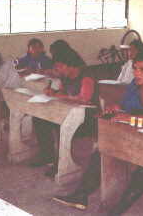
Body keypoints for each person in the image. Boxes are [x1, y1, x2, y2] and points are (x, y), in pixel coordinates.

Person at [53, 51, 143, 213]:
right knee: (103, 149)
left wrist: (129, 117)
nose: (136, 73)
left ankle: (117, 210)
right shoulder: (135, 84)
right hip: (137, 133)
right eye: (135, 69)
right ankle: (81, 194)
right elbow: (127, 108)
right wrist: (117, 108)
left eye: (142, 69)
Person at [30, 48, 98, 177]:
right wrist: (53, 93)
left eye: (60, 66)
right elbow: (62, 92)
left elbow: (84, 98)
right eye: (56, 67)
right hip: (70, 112)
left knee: (60, 125)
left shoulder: (86, 75)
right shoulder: (65, 76)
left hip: (88, 118)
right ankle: (47, 154)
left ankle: (61, 164)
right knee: (39, 119)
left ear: (70, 65)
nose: (58, 70)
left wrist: (60, 96)